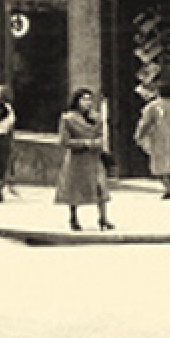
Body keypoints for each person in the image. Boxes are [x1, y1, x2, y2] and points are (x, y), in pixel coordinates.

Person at [54, 87, 113, 231]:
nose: (87, 103)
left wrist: (100, 143)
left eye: (89, 99)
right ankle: (73, 217)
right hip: (77, 159)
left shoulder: (96, 117)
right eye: (84, 99)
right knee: (74, 188)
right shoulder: (68, 118)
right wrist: (85, 143)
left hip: (94, 158)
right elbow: (64, 141)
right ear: (76, 101)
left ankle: (103, 218)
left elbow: (101, 134)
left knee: (100, 186)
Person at [135, 79, 170, 199]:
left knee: (160, 165)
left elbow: (145, 123)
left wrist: (139, 135)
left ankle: (169, 188)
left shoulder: (153, 106)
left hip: (158, 138)